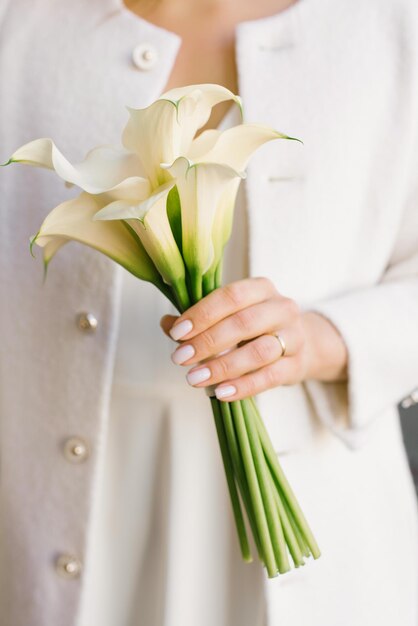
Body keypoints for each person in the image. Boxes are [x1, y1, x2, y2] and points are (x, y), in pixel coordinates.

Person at [1, 0, 417, 625]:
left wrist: (321, 340)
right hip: (62, 508)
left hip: (330, 520)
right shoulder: (22, 22)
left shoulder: (390, 26)